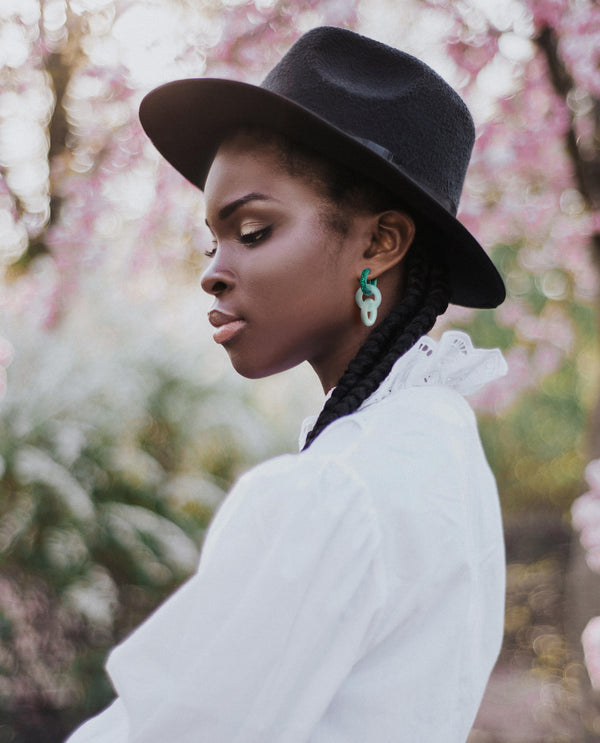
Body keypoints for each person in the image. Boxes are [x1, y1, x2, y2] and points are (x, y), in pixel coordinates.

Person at [66, 26, 508, 743]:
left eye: (253, 229)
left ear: (379, 242)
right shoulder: (442, 443)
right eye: (212, 237)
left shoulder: (334, 493)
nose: (212, 269)